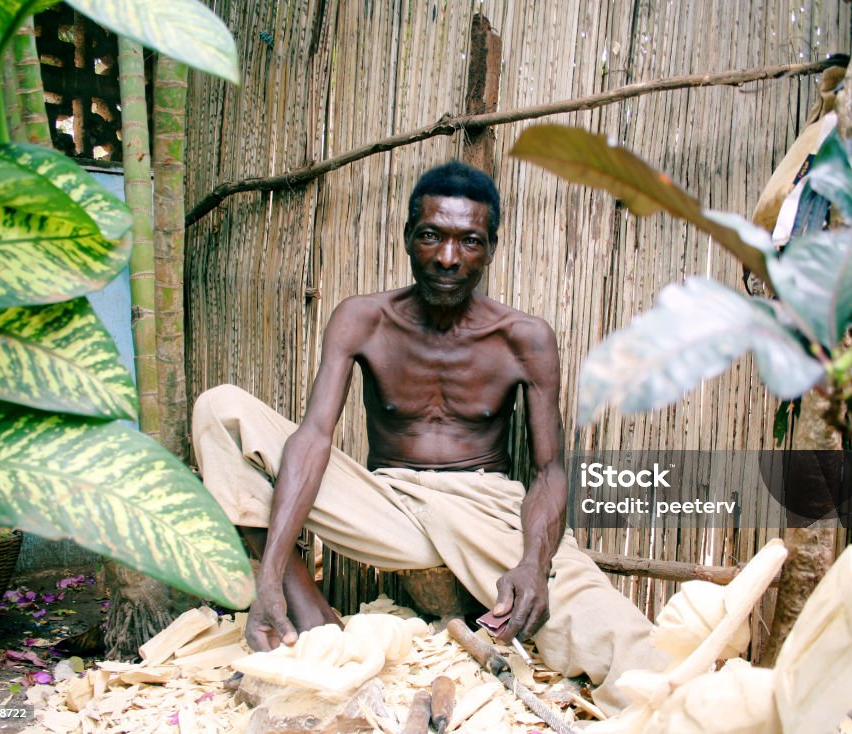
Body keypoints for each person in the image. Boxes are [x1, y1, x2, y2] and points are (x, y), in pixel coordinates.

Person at [192, 161, 666, 713]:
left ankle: (682, 707)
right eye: (431, 236)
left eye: (469, 241)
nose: (447, 257)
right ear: (408, 239)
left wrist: (534, 565)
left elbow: (549, 471)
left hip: (487, 510)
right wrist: (270, 575)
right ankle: (308, 610)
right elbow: (314, 436)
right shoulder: (363, 319)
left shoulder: (525, 338)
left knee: (624, 646)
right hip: (388, 502)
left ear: (490, 249)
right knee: (219, 409)